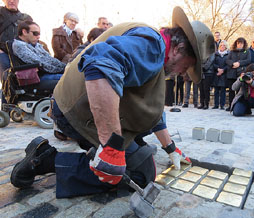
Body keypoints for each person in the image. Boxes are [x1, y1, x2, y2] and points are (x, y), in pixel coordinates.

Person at [10, 7, 214, 198]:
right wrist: (111, 147)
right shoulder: (152, 45)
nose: (183, 73)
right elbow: (100, 65)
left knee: (142, 154)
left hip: (78, 105)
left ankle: (96, 151)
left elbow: (152, 109)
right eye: (188, 66)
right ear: (179, 48)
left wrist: (170, 148)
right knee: (140, 174)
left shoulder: (156, 47)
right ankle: (44, 160)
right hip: (75, 111)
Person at [0, 0, 32, 76]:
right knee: (7, 80)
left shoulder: (26, 18)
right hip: (3, 53)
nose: (11, 1)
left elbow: (32, 36)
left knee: (23, 80)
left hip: (21, 53)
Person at [226, 37, 251, 111]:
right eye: (238, 43)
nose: (240, 45)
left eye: (241, 43)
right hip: (231, 73)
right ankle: (230, 105)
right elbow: (227, 60)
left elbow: (248, 60)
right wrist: (232, 64)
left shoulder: (247, 51)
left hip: (241, 73)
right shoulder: (232, 51)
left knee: (239, 91)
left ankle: (237, 105)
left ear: (244, 44)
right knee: (231, 90)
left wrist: (239, 63)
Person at [212, 40, 229, 110]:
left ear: (226, 47)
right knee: (216, 90)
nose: (222, 46)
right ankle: (216, 104)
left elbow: (228, 64)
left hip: (224, 74)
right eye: (221, 45)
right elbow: (213, 63)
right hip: (216, 74)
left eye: (224, 45)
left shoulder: (228, 54)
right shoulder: (216, 54)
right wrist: (217, 69)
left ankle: (222, 105)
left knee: (223, 91)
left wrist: (223, 70)